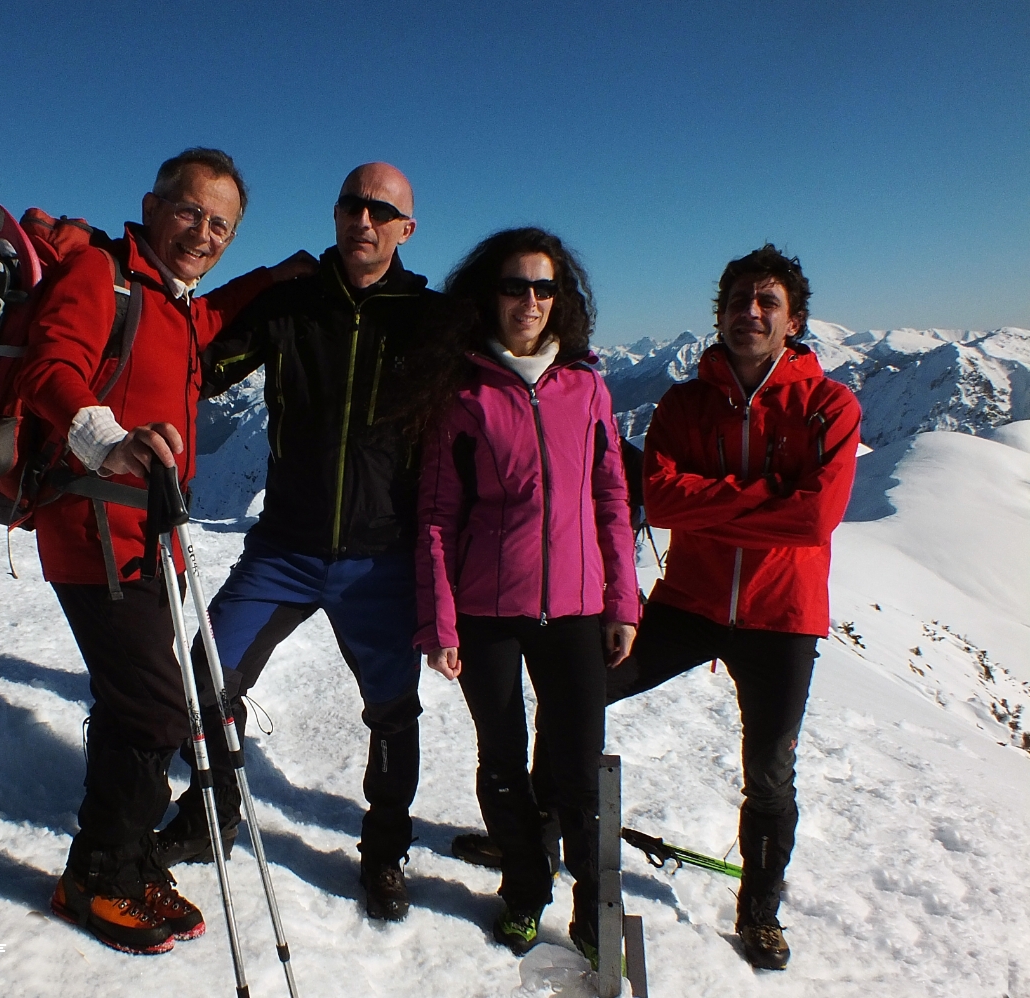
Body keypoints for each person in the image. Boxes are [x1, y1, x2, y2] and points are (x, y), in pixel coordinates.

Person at [13, 148, 315, 954]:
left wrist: (273, 280)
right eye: (190, 212)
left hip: (146, 540)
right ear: (152, 205)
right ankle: (97, 877)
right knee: (152, 706)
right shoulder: (102, 278)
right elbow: (50, 370)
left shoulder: (172, 303)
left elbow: (207, 320)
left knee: (134, 701)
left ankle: (132, 858)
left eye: (222, 225)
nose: (204, 233)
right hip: (93, 532)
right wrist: (103, 438)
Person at [156, 163, 442, 921]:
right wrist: (258, 281)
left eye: (383, 211)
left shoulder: (430, 320)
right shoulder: (289, 305)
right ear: (337, 212)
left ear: (406, 229)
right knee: (205, 683)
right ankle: (210, 810)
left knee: (392, 713)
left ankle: (383, 853)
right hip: (284, 548)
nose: (364, 220)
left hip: (381, 557)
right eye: (352, 204)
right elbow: (196, 364)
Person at [608, 244, 861, 970]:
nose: (748, 312)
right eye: (736, 301)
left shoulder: (829, 406)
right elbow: (659, 500)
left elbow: (816, 521)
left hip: (783, 617)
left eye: (766, 302)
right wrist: (770, 502)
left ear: (794, 319)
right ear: (717, 315)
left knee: (770, 772)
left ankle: (760, 913)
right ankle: (536, 823)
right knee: (581, 689)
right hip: (688, 601)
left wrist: (705, 502)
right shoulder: (683, 404)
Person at [413, 227, 640, 959]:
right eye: (516, 286)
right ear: (490, 295)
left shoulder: (588, 387)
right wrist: (440, 622)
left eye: (545, 287)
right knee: (503, 761)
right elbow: (439, 516)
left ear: (560, 298)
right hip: (487, 610)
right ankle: (522, 889)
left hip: (576, 606)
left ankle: (588, 905)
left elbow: (612, 497)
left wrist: (622, 602)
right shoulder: (465, 393)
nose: (531, 301)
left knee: (576, 761)